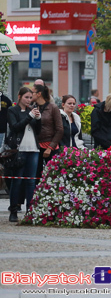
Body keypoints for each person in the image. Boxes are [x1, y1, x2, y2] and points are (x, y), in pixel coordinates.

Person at [6, 87, 41, 222]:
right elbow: (15, 127)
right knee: (17, 180)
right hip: (19, 149)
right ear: (19, 96)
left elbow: (37, 131)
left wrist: (38, 119)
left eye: (30, 97)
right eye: (26, 97)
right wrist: (30, 117)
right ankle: (13, 210)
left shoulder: (30, 111)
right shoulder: (12, 110)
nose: (28, 100)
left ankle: (30, 211)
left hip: (33, 148)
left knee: (31, 181)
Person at [33, 84, 63, 179]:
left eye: (32, 92)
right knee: (36, 175)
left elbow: (60, 129)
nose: (30, 94)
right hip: (36, 146)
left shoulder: (53, 107)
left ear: (39, 94)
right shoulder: (32, 108)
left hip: (50, 145)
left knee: (53, 175)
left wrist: (50, 147)